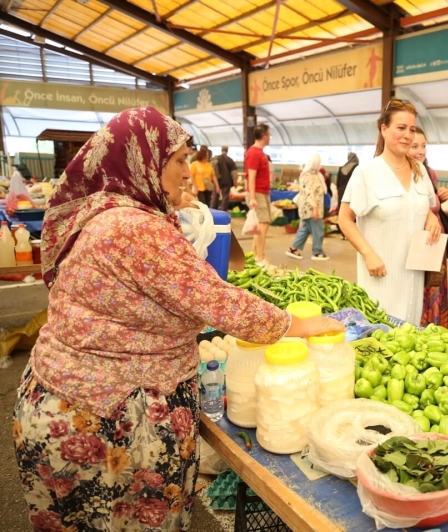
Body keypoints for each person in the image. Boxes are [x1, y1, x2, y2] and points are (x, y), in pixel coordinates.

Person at [12, 107, 343, 532]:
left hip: (63, 397)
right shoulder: (135, 228)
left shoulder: (106, 209)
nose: (188, 173)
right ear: (143, 161)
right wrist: (301, 326)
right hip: (106, 418)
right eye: (179, 161)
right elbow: (221, 304)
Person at [338, 100, 441, 325]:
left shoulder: (420, 170)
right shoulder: (367, 172)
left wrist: (430, 216)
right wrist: (368, 254)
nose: (408, 135)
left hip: (413, 274)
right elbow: (344, 219)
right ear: (384, 129)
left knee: (408, 336)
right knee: (380, 333)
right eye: (401, 128)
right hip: (381, 272)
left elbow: (421, 205)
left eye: (412, 129)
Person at [409, 127, 448, 329]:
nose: (421, 151)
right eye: (414, 146)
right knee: (415, 289)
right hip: (415, 241)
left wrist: (439, 196)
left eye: (424, 146)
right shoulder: (401, 173)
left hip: (434, 242)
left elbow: (431, 203)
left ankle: (433, 332)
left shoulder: (430, 173)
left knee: (434, 286)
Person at [286, 154, 329, 261]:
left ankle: (293, 248)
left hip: (310, 209)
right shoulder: (308, 176)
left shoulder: (316, 175)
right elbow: (309, 193)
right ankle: (317, 252)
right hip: (310, 208)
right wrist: (314, 209)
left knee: (305, 230)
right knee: (318, 230)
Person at [246, 123, 272, 267]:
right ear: (264, 136)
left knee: (261, 225)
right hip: (258, 193)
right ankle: (260, 257)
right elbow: (251, 176)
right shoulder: (254, 153)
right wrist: (253, 197)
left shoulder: (259, 152)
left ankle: (255, 254)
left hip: (263, 192)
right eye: (269, 135)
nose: (270, 137)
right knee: (263, 224)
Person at [211, 145, 238, 212]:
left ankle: (213, 210)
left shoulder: (216, 158)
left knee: (215, 196)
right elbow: (234, 172)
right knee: (225, 197)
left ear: (221, 149)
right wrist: (235, 181)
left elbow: (212, 170)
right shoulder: (230, 159)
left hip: (217, 180)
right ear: (227, 150)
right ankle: (223, 211)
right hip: (227, 180)